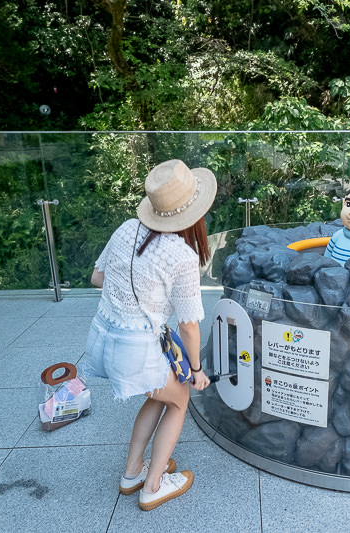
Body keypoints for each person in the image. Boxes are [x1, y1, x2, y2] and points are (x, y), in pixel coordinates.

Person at [81, 159, 216, 511]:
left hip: (103, 340)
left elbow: (98, 277)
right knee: (180, 397)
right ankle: (153, 485)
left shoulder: (127, 228)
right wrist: (197, 370)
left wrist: (132, 296)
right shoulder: (181, 255)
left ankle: (131, 474)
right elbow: (188, 324)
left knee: (158, 396)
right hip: (137, 352)